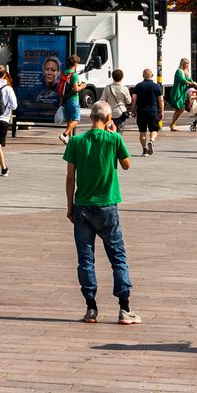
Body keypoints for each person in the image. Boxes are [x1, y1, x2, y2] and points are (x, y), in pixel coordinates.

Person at [63, 101, 139, 325]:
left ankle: (91, 308)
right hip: (107, 206)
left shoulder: (76, 142)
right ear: (108, 120)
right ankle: (124, 309)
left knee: (86, 259)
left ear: (90, 118)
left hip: (82, 207)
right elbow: (126, 165)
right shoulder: (114, 139)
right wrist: (114, 134)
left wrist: (70, 205)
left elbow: (70, 178)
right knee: (118, 258)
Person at [130, 68, 164, 157]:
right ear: (152, 75)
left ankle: (144, 151)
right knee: (154, 129)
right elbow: (161, 100)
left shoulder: (138, 86)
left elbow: (134, 99)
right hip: (153, 111)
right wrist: (162, 111)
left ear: (143, 75)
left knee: (142, 131)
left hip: (141, 112)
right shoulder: (157, 86)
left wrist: (133, 110)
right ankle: (151, 141)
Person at [58, 54, 86, 144]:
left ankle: (70, 139)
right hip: (73, 99)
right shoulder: (74, 75)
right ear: (75, 64)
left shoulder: (65, 73)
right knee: (76, 119)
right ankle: (64, 135)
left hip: (66, 99)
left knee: (70, 119)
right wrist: (82, 86)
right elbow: (76, 89)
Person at [167, 58, 195, 131]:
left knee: (178, 109)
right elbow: (181, 80)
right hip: (177, 91)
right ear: (182, 64)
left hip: (183, 92)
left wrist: (194, 83)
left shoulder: (186, 71)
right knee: (181, 108)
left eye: (188, 63)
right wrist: (190, 83)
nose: (187, 65)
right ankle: (172, 124)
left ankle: (173, 125)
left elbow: (189, 79)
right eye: (186, 63)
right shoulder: (179, 71)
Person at [105, 69, 132, 135]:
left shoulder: (108, 87)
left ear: (112, 77)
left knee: (110, 132)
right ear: (122, 77)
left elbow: (103, 99)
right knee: (119, 133)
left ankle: (112, 145)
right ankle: (117, 144)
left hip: (110, 113)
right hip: (121, 113)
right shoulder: (124, 88)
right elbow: (129, 101)